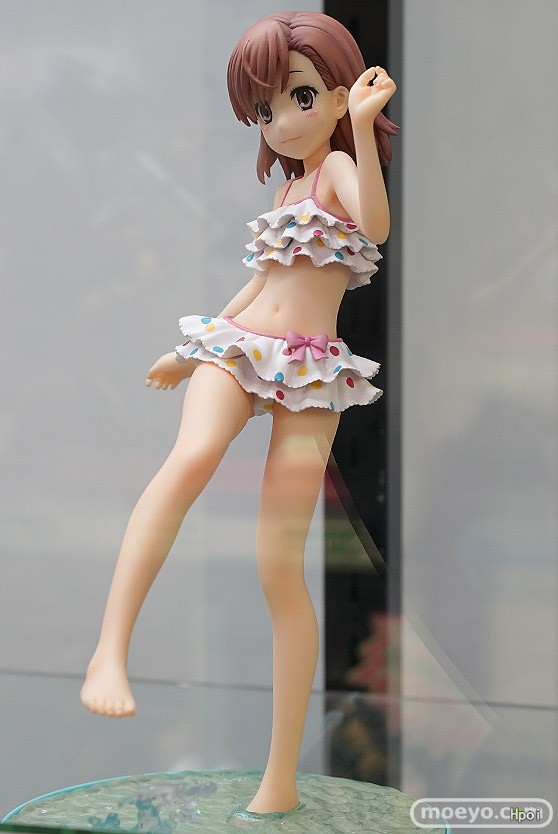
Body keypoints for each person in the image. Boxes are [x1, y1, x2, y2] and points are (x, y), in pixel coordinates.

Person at [80, 11, 397, 821]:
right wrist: (190, 350)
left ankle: (279, 776)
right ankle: (109, 650)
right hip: (240, 348)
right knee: (189, 460)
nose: (281, 121)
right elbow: (260, 285)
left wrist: (363, 128)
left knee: (277, 568)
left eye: (298, 98)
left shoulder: (336, 170)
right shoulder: (288, 188)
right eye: (264, 109)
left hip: (311, 372)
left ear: (336, 93)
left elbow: (376, 224)